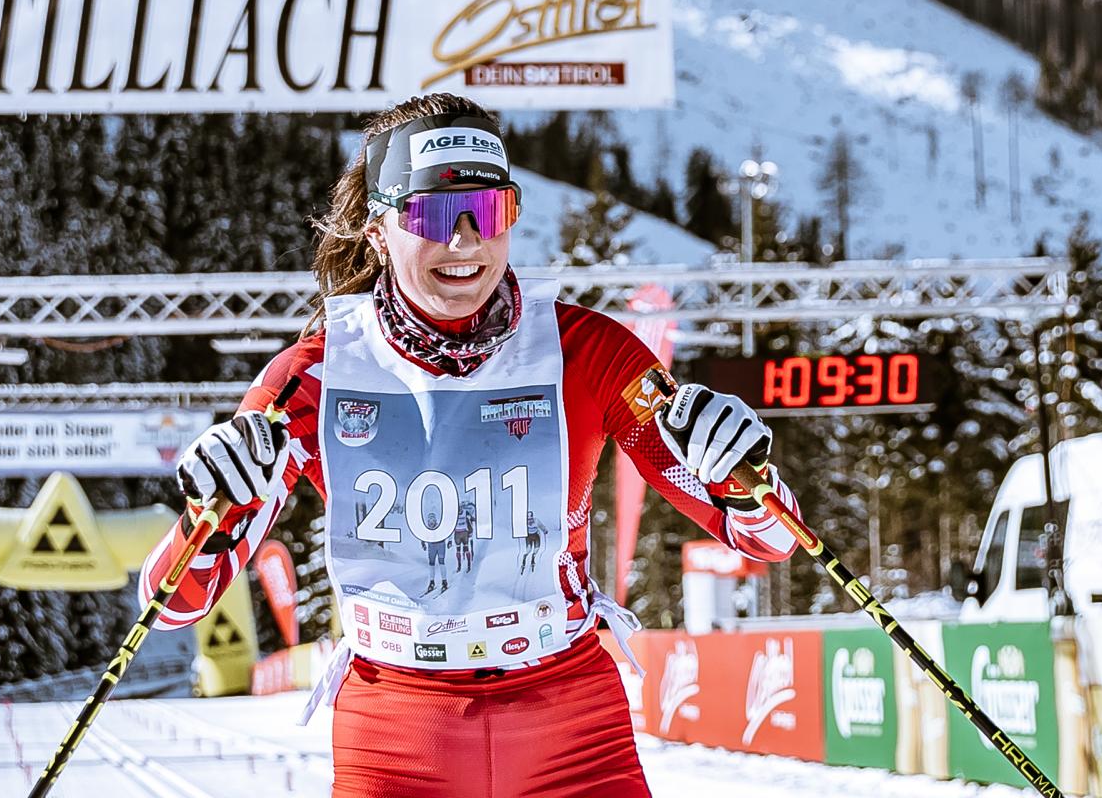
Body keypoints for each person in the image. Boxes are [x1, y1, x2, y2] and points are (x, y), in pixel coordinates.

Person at [136, 94, 800, 798]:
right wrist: (203, 518)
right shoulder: (310, 379)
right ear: (379, 229)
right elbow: (174, 604)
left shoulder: (588, 352)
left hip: (570, 728)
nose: (464, 243)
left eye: (487, 212)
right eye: (428, 214)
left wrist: (739, 475)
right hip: (398, 735)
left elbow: (769, 541)